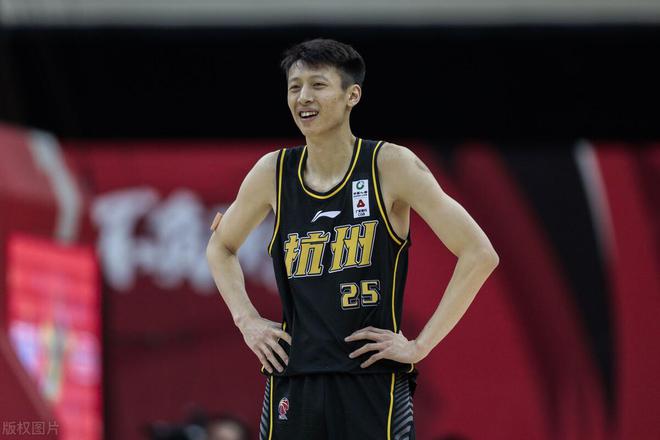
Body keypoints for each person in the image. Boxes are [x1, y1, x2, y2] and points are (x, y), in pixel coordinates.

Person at [206, 38, 499, 440]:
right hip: (295, 377)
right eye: (294, 87)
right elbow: (220, 247)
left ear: (352, 95)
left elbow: (479, 253)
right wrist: (247, 320)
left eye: (318, 85)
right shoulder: (272, 172)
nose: (303, 98)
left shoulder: (390, 165)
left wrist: (419, 346)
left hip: (372, 382)